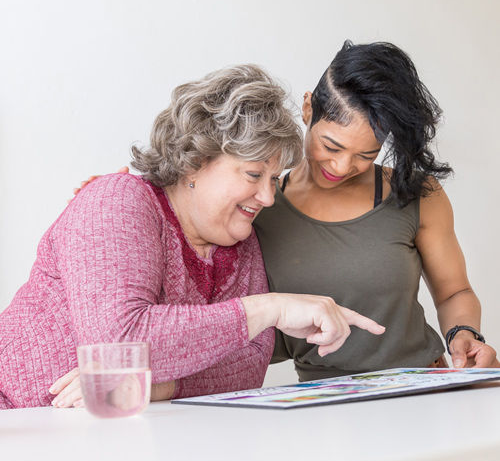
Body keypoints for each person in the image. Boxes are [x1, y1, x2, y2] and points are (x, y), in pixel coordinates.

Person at [0, 64, 385, 409]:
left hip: (112, 438)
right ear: (196, 162)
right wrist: (269, 309)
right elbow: (119, 344)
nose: (268, 197)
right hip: (17, 425)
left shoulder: (240, 241)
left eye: (272, 179)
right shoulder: (119, 201)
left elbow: (248, 367)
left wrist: (154, 385)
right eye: (254, 175)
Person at [253, 40, 499, 381]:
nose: (341, 166)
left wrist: (464, 335)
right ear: (308, 108)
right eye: (331, 145)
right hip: (323, 404)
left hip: (423, 387)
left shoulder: (416, 193)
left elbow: (454, 291)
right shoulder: (259, 203)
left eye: (365, 155)